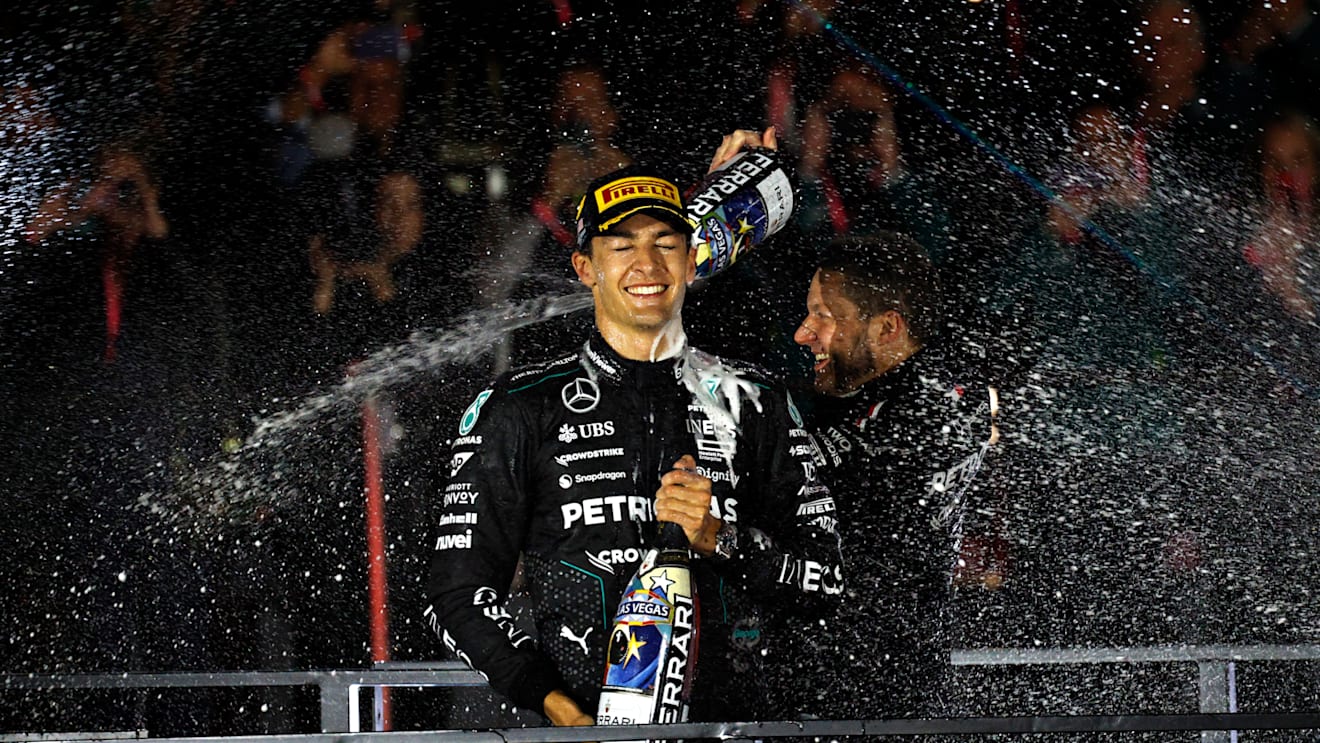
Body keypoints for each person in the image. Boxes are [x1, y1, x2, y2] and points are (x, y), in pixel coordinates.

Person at [423, 154, 843, 727]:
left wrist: (718, 537)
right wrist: (562, 711)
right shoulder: (520, 407)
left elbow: (827, 582)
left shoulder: (760, 401)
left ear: (692, 262)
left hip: (736, 729)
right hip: (580, 736)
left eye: (666, 244)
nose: (647, 264)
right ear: (584, 267)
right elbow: (458, 596)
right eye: (621, 247)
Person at [784, 231, 999, 719]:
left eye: (824, 315)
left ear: (887, 328)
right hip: (883, 687)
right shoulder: (922, 390)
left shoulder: (922, 413)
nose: (803, 332)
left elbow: (791, 489)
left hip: (867, 697)